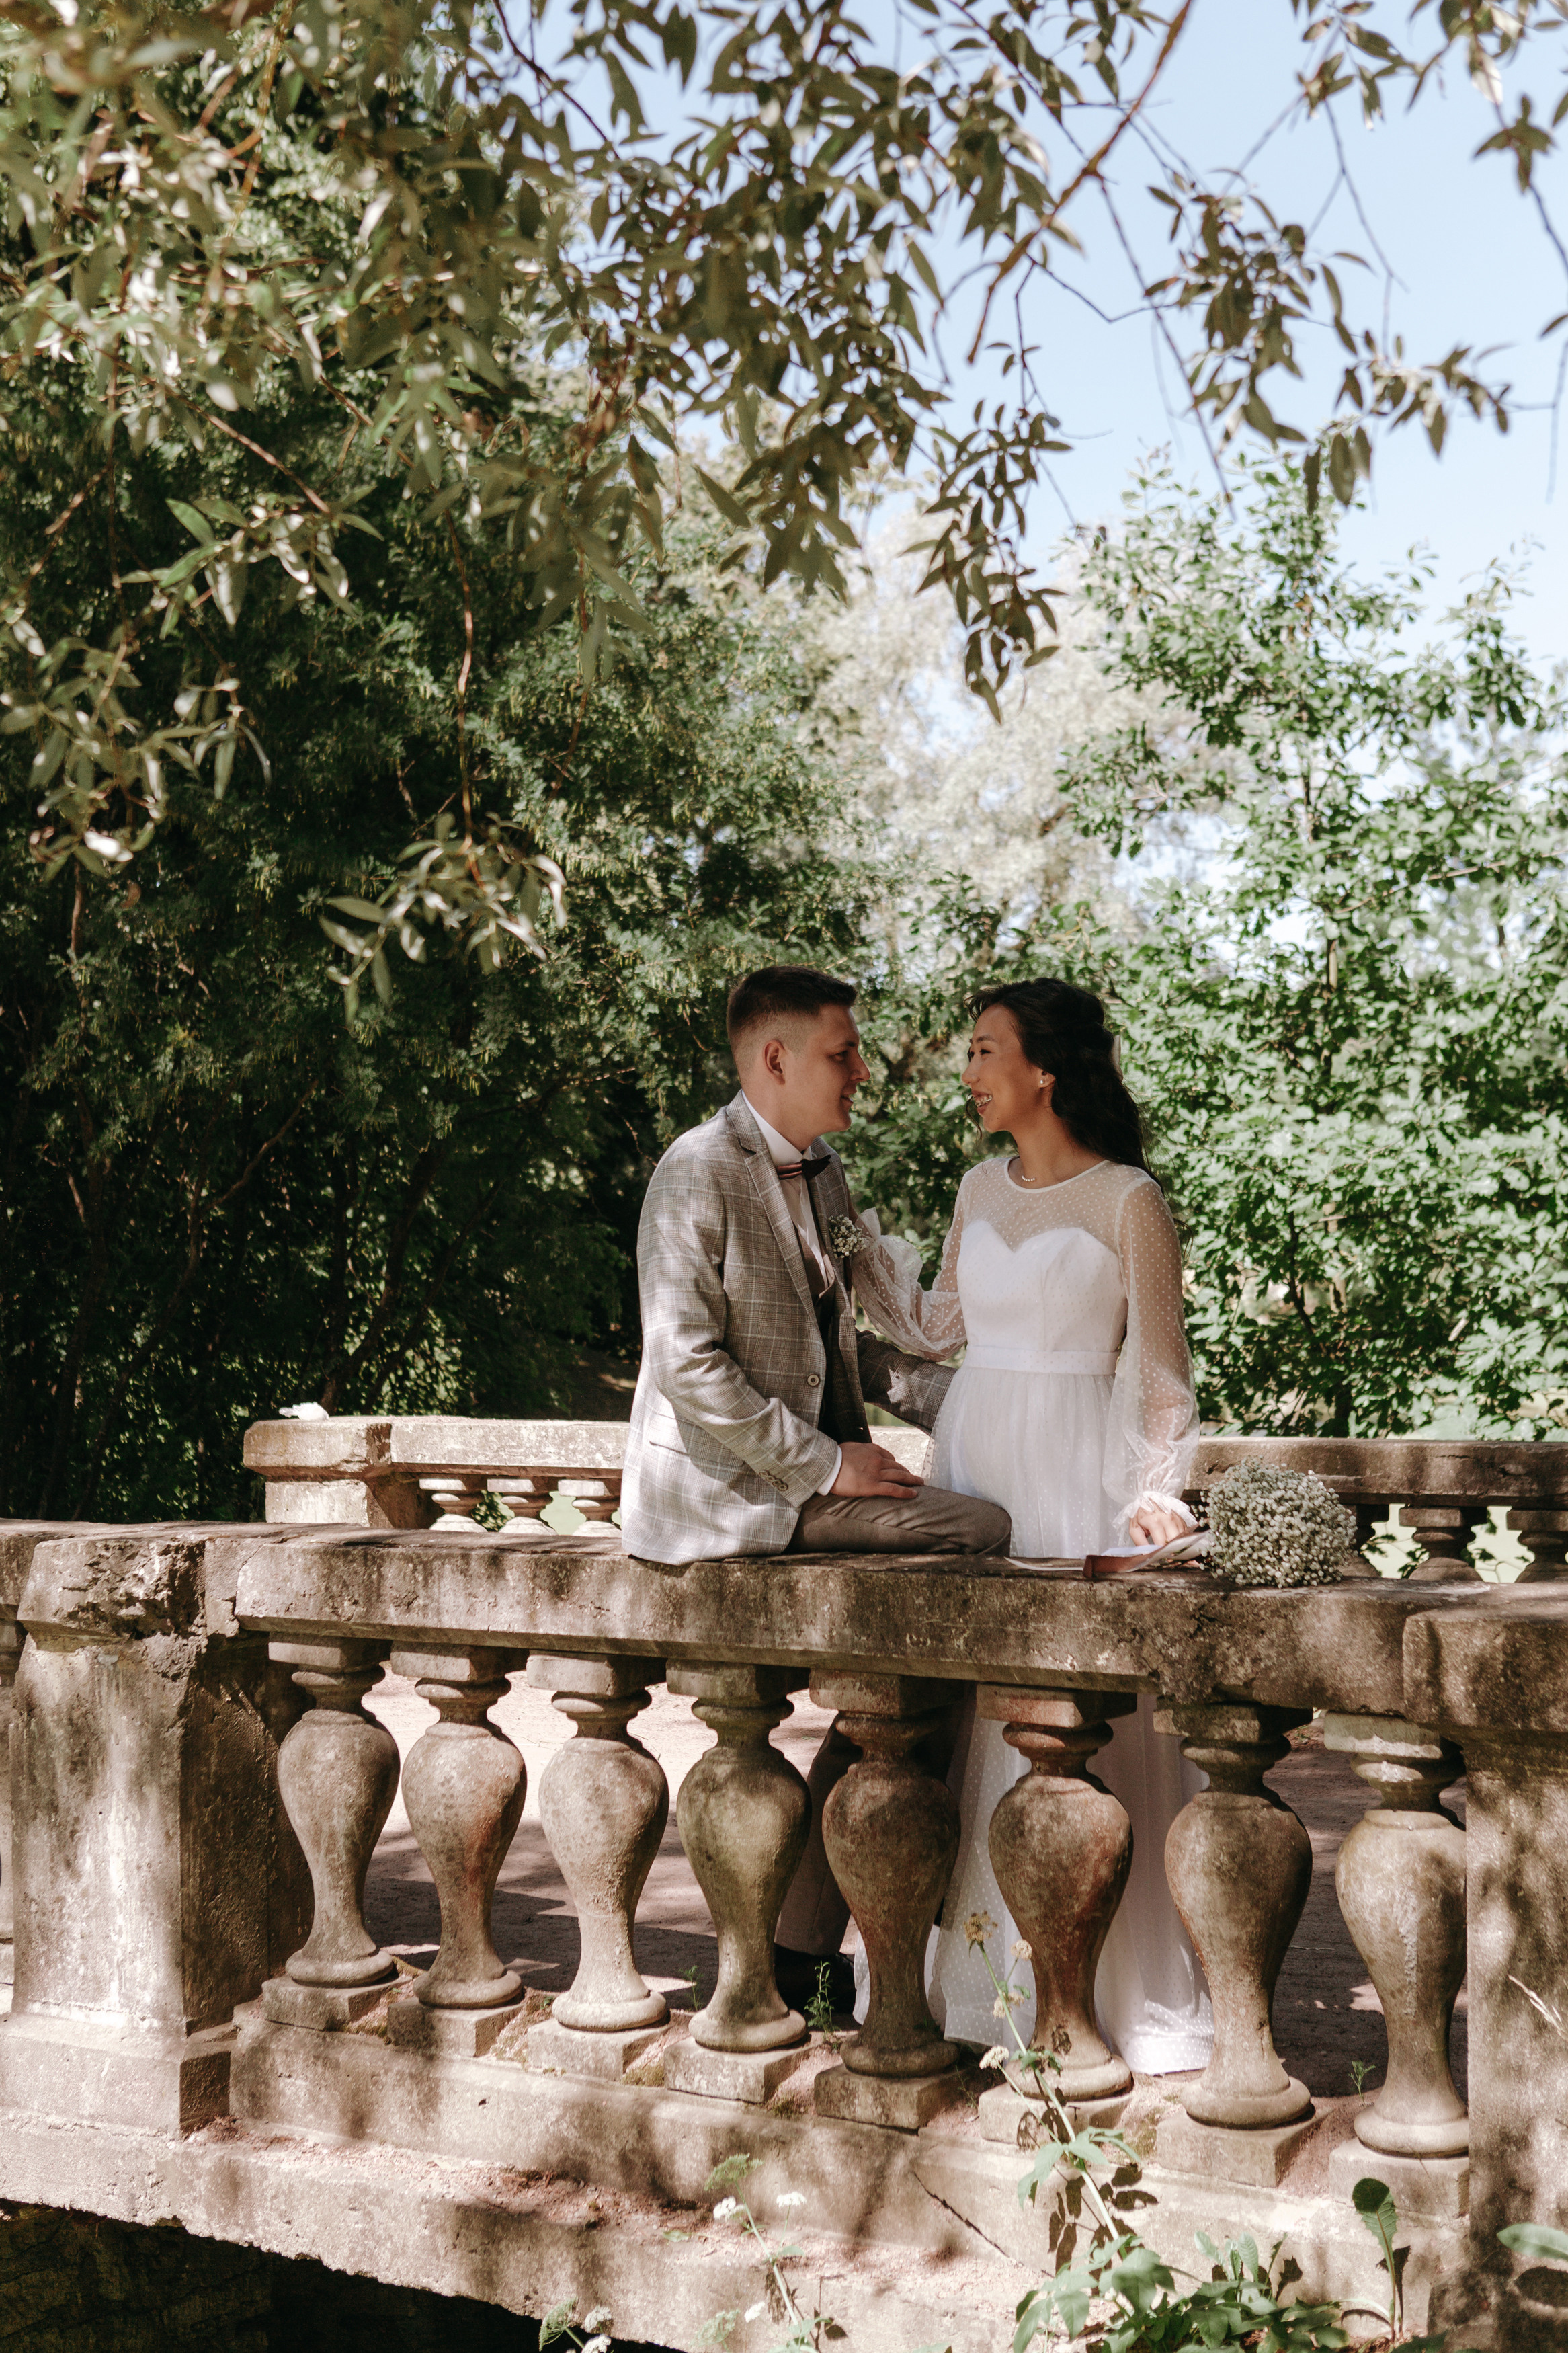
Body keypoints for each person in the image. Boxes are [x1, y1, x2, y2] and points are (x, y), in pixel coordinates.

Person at [621, 964, 1012, 2009]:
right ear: (775, 1058)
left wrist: (984, 1403)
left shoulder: (825, 1174)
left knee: (908, 1686)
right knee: (979, 1527)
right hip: (728, 1496)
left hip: (807, 1484)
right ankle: (826, 1935)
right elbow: (686, 1363)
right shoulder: (694, 1172)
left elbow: (863, 1352)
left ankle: (800, 1953)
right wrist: (830, 1464)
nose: (863, 1069)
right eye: (844, 1051)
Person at [845, 975, 1214, 2073]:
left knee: (1065, 1723)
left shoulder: (1125, 1201)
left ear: (1041, 1070)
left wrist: (1157, 1487)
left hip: (1071, 1473)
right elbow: (937, 1324)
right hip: (972, 1454)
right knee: (958, 1718)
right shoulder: (975, 1188)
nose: (966, 1072)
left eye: (981, 1050)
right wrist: (859, 1259)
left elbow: (1160, 1375)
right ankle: (964, 1985)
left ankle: (1083, 1988)